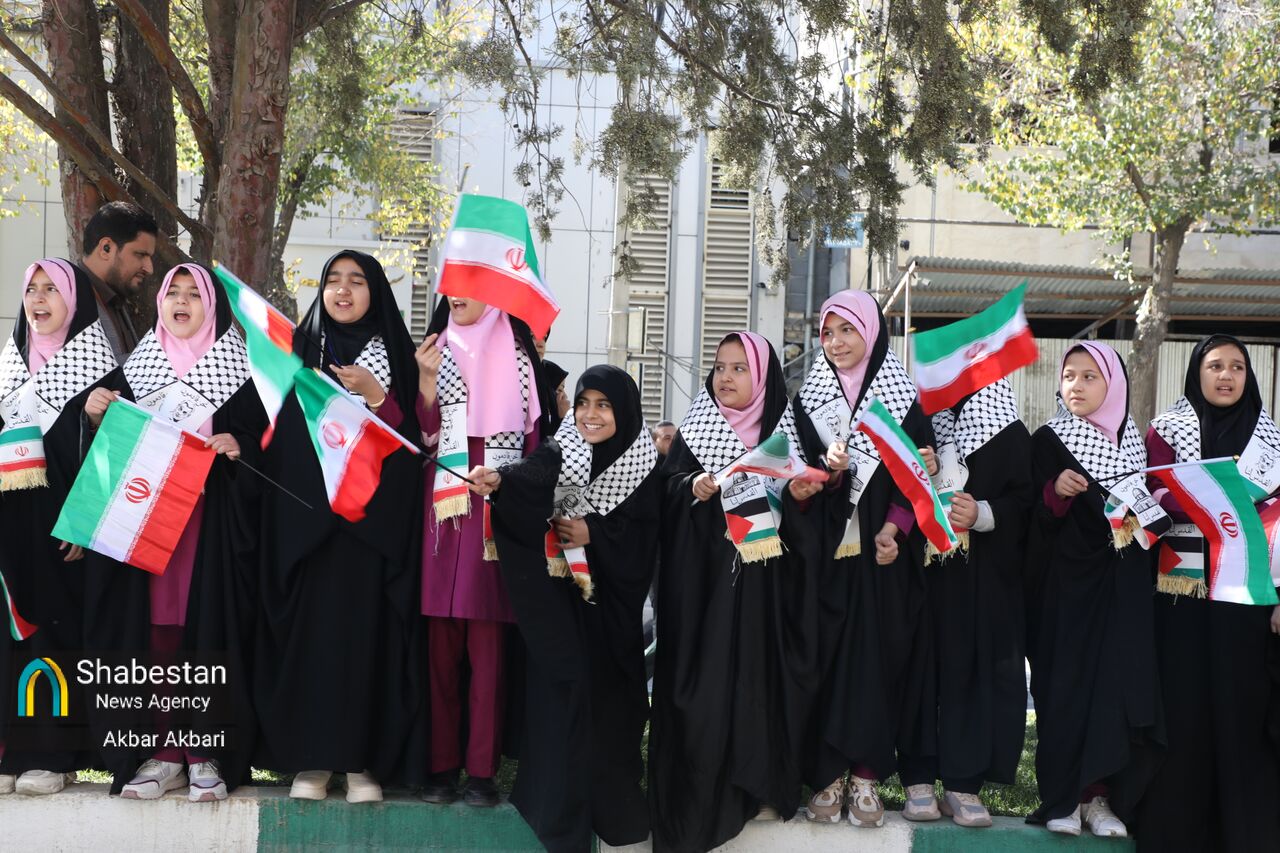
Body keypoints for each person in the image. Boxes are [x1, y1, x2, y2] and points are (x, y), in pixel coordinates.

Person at [81, 263, 266, 802]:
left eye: (194, 294)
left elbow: (265, 444)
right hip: (147, 521)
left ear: (213, 306)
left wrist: (240, 447)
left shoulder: (239, 370)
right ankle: (164, 753)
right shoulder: (137, 369)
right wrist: (93, 415)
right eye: (172, 293)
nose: (181, 302)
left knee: (204, 634)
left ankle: (205, 751)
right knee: (159, 634)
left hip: (210, 526)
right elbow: (107, 453)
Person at [253, 250, 424, 803]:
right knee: (312, 647)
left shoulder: (397, 358)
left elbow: (415, 446)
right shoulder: (298, 354)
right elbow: (276, 442)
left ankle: (361, 764)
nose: (343, 290)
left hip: (371, 533)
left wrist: (376, 396)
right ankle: (313, 761)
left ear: (376, 292)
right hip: (308, 532)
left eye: (356, 281)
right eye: (333, 280)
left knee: (366, 647)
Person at [471, 365, 659, 852]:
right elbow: (531, 475)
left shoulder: (644, 463)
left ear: (624, 410)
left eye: (603, 405)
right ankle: (556, 817)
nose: (590, 415)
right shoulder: (564, 449)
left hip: (613, 616)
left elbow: (649, 538)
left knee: (610, 717)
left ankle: (614, 817)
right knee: (560, 702)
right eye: (582, 403)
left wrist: (596, 533)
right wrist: (499, 480)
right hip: (562, 608)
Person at [778, 290, 937, 829]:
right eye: (827, 332)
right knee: (826, 657)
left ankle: (867, 776)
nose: (836, 342)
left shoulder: (901, 396)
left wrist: (896, 528)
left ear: (871, 332)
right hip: (825, 556)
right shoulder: (808, 400)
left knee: (877, 661)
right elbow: (792, 477)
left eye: (847, 330)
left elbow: (918, 474)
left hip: (884, 557)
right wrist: (828, 472)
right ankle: (827, 775)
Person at [648, 331, 801, 853]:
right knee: (701, 687)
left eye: (739, 368)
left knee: (754, 681)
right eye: (719, 367)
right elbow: (665, 491)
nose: (726, 378)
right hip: (702, 592)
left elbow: (804, 509)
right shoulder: (697, 428)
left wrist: (801, 495)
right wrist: (690, 487)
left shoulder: (785, 433)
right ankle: (694, 796)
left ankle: (752, 784)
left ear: (762, 377)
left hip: (762, 591)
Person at [1130, 335, 1280, 852]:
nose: (1226, 375)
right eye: (1215, 365)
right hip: (1182, 599)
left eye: (1237, 367)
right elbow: (1151, 491)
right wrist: (1203, 503)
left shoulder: (1270, 440)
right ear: (1197, 372)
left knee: (1243, 716)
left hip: (1247, 602)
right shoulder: (1167, 430)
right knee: (1184, 712)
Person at [417, 295, 551, 808]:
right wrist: (425, 382)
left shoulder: (520, 360)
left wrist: (506, 479)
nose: (458, 294)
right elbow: (420, 436)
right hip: (441, 520)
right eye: (452, 284)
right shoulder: (433, 350)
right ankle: (440, 768)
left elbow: (538, 452)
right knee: (439, 654)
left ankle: (480, 773)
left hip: (495, 523)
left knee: (488, 657)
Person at [1026, 342, 1164, 838]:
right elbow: (1028, 521)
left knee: (1113, 691)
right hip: (1065, 591)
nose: (1077, 386)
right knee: (1064, 689)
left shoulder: (1135, 445)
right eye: (1069, 376)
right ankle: (1062, 799)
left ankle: (1099, 798)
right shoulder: (1047, 440)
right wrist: (1053, 495)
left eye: (1090, 376)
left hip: (1122, 588)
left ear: (1114, 385)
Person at [0, 259, 118, 795]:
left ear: (75, 301)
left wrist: (85, 520)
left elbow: (116, 456)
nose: (39, 299)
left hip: (66, 530)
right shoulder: (10, 364)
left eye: (52, 289)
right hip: (12, 526)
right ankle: (13, 750)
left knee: (57, 633)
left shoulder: (100, 370)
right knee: (15, 632)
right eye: (32, 289)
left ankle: (54, 753)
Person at [912, 379, 1032, 826]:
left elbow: (1026, 503)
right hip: (923, 575)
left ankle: (963, 783)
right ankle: (917, 778)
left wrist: (983, 513)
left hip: (982, 580)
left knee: (970, 673)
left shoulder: (1009, 431)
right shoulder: (922, 421)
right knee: (920, 672)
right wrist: (919, 466)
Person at [77, 201, 158, 360]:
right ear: (106, 248)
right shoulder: (67, 303)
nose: (149, 268)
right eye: (140, 254)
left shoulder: (113, 297)